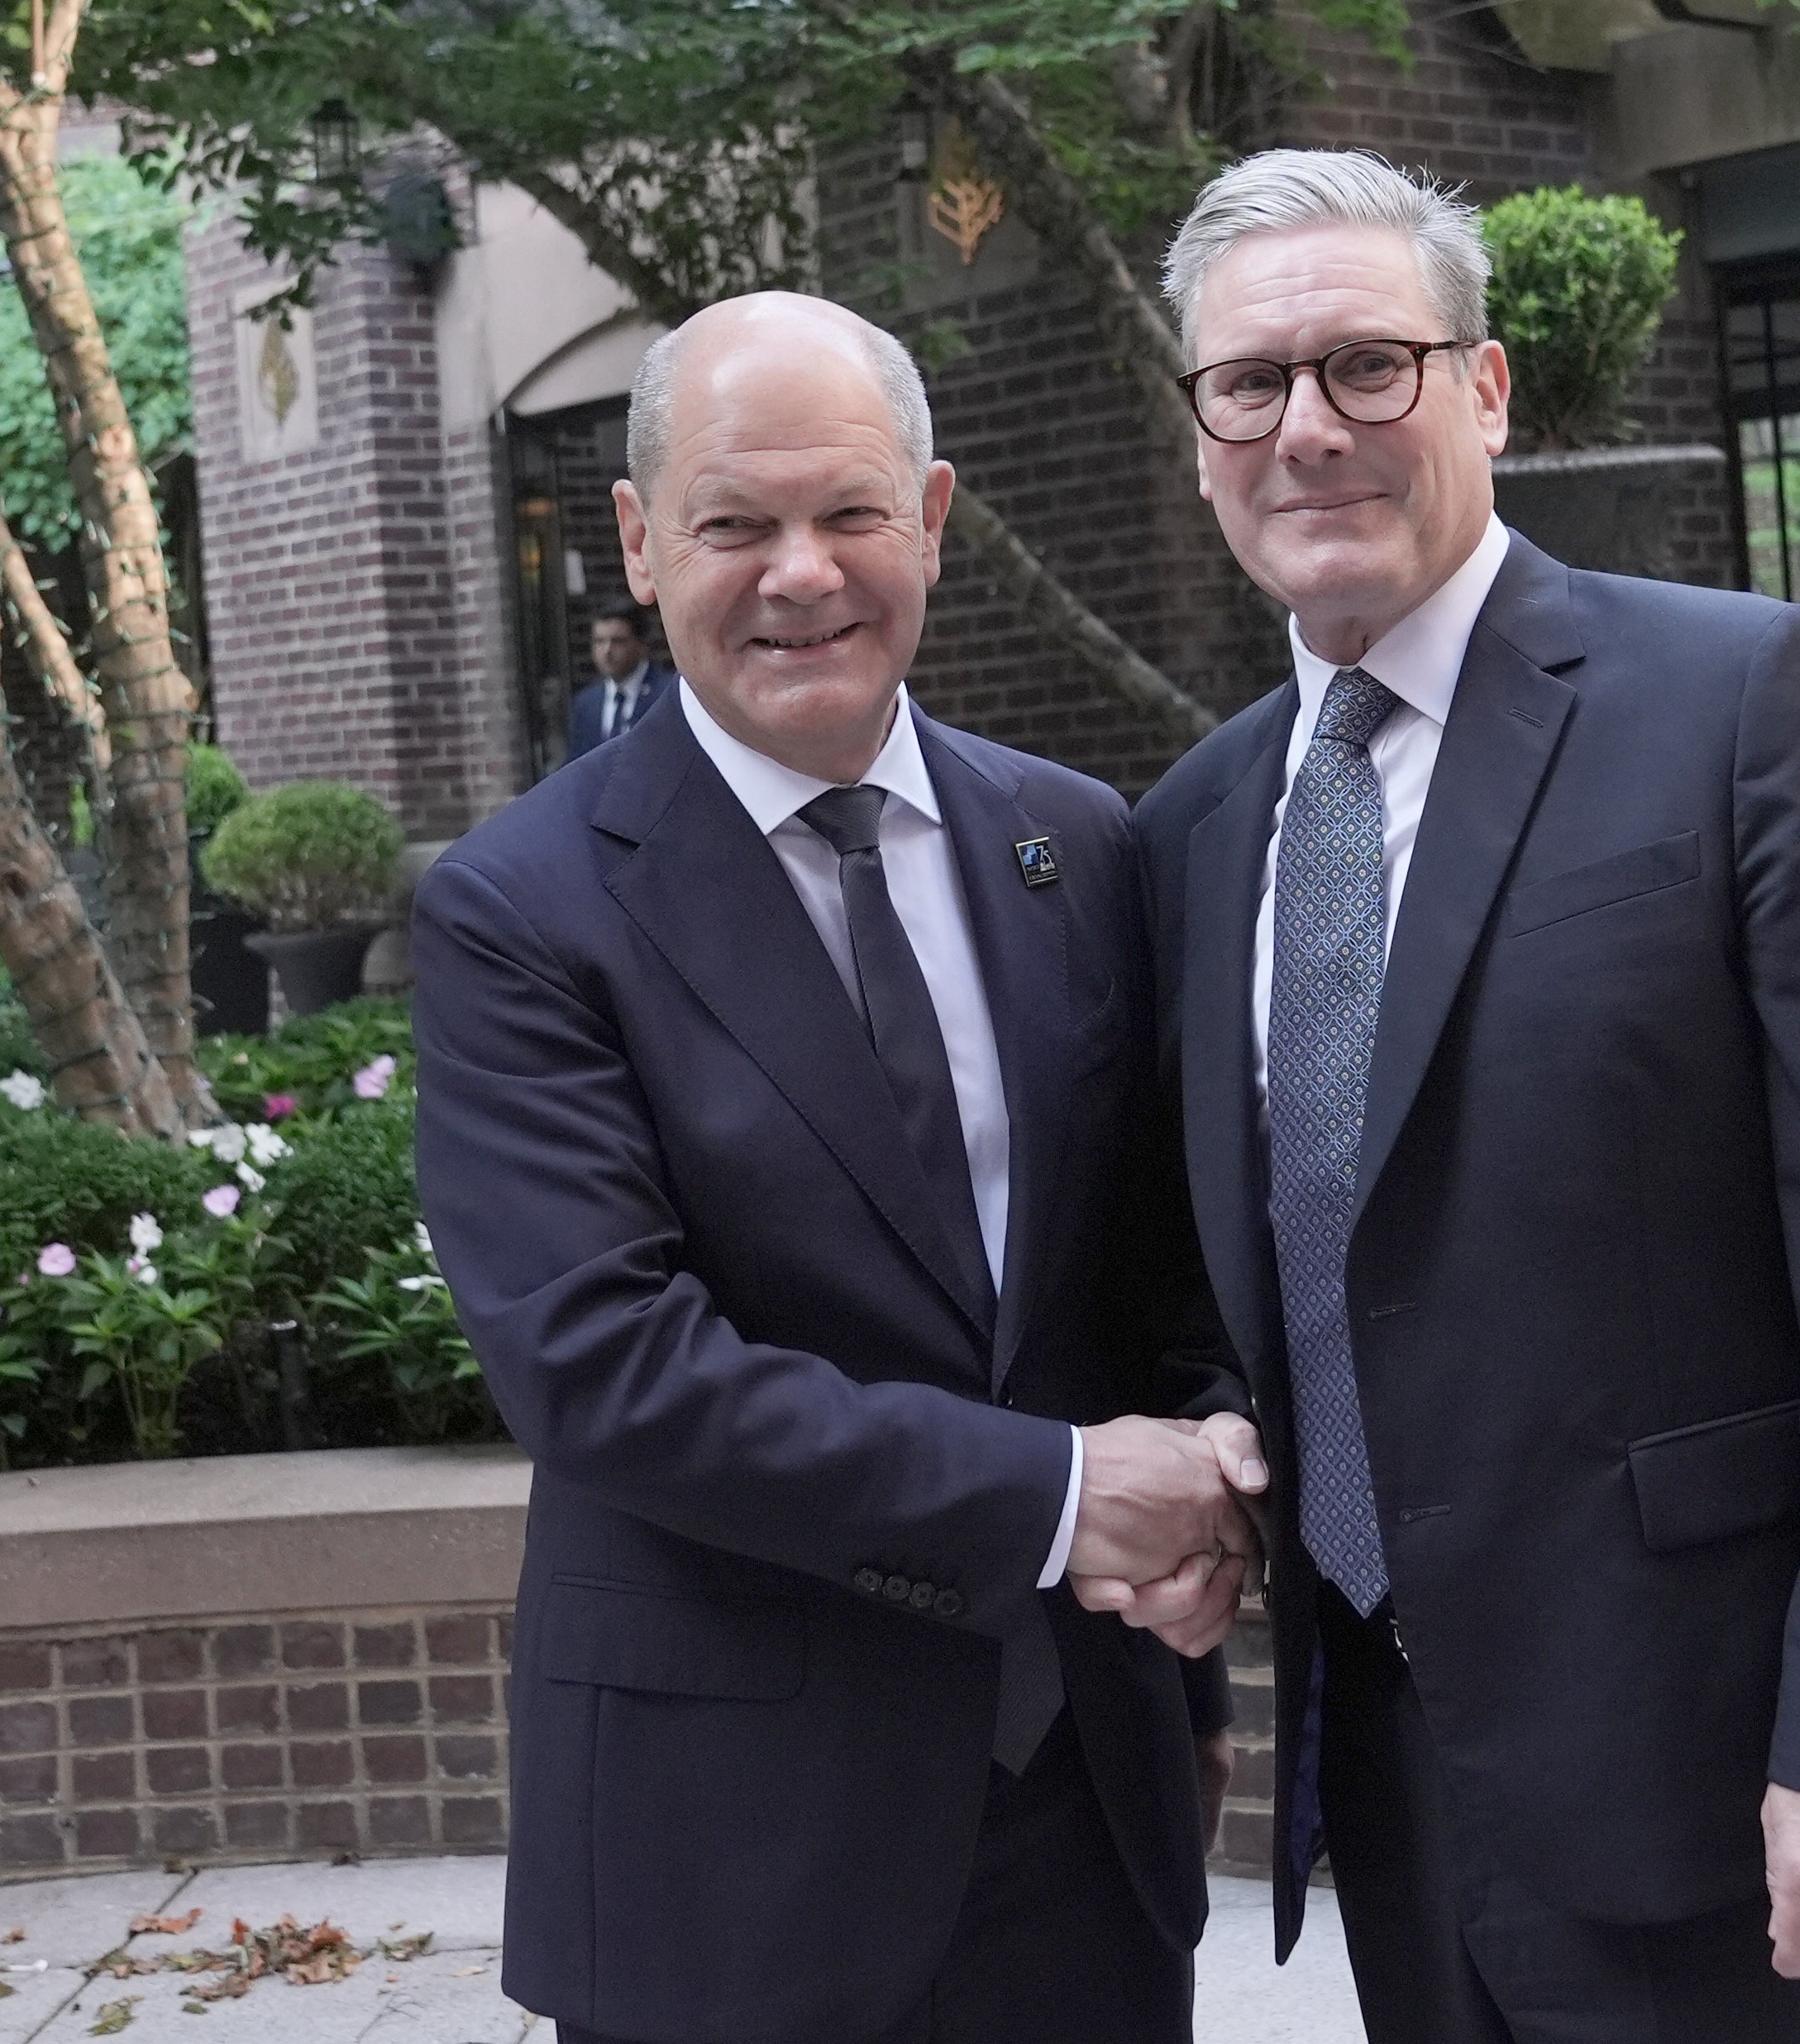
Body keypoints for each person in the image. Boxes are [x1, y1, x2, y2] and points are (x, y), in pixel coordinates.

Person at [1121, 150, 1800, 2043]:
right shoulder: (1196, 829)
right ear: (1202, 426)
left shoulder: (1742, 702)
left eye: (1369, 364)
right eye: (1251, 385)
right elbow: (1272, 1260)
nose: (1310, 427)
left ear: (1488, 388)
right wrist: (1214, 1428)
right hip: (1388, 1774)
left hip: (1730, 1779)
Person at [410, 292, 1263, 2044]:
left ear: (931, 521)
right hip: (733, 1846)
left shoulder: (1074, 842)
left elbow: (1158, 1264)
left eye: (849, 514)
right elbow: (605, 1369)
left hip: (1081, 1816)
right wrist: (1057, 1495)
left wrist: (1214, 1466)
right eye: (735, 524)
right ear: (642, 544)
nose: (801, 573)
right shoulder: (519, 910)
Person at [567, 597, 673, 757]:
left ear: (641, 644)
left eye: (618, 641)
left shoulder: (668, 694)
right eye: (599, 641)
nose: (607, 651)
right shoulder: (586, 704)